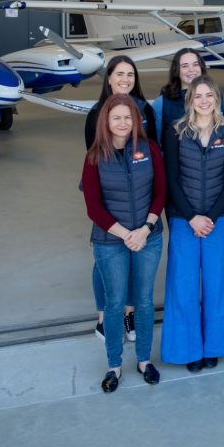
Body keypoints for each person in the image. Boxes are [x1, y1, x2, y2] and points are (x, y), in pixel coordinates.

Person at [81, 94, 165, 392]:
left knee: (143, 301)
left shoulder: (150, 149)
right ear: (106, 121)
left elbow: (160, 193)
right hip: (109, 242)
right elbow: (94, 207)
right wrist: (125, 234)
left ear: (136, 121)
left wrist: (145, 229)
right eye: (116, 117)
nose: (122, 123)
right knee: (115, 304)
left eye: (128, 117)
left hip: (148, 237)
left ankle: (144, 360)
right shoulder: (94, 157)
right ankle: (114, 365)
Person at [161, 76, 224, 372]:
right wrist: (192, 216)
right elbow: (171, 179)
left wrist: (211, 216)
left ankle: (215, 346)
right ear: (190, 100)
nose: (204, 101)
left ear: (217, 99)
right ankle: (188, 349)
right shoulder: (175, 132)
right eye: (198, 96)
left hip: (218, 219)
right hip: (184, 220)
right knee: (182, 285)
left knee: (217, 283)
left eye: (209, 95)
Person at [84, 55, 156, 343]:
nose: (125, 79)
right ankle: (104, 316)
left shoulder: (145, 109)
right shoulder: (96, 113)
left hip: (139, 193)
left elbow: (154, 149)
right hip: (109, 195)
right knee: (106, 257)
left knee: (136, 253)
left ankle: (128, 313)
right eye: (119, 74)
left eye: (130, 75)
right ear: (109, 78)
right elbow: (92, 159)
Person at [151, 48, 224, 140]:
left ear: (201, 68)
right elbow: (155, 141)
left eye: (195, 64)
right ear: (177, 70)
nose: (191, 70)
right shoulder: (161, 103)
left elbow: (223, 132)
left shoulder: (217, 97)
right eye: (184, 66)